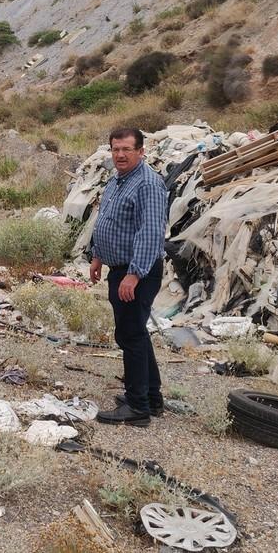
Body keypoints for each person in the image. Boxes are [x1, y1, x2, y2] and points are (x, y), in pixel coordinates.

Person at [89, 127, 167, 427]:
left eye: (126, 150)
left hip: (138, 272)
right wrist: (97, 256)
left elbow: (150, 234)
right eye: (115, 149)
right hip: (118, 268)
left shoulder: (148, 184)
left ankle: (137, 408)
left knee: (131, 335)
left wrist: (134, 274)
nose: (120, 155)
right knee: (136, 331)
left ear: (141, 151)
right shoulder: (118, 180)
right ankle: (151, 398)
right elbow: (106, 220)